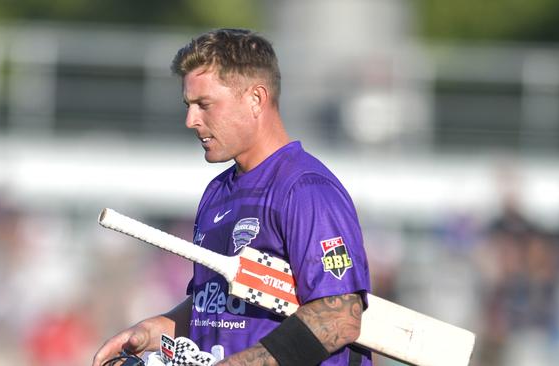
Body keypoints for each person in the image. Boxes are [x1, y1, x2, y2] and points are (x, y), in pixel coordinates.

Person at [92, 28, 372, 366]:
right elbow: (217, 310)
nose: (190, 120)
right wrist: (156, 330)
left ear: (255, 98)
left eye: (204, 105)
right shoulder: (217, 192)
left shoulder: (305, 189)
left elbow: (340, 316)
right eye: (188, 105)